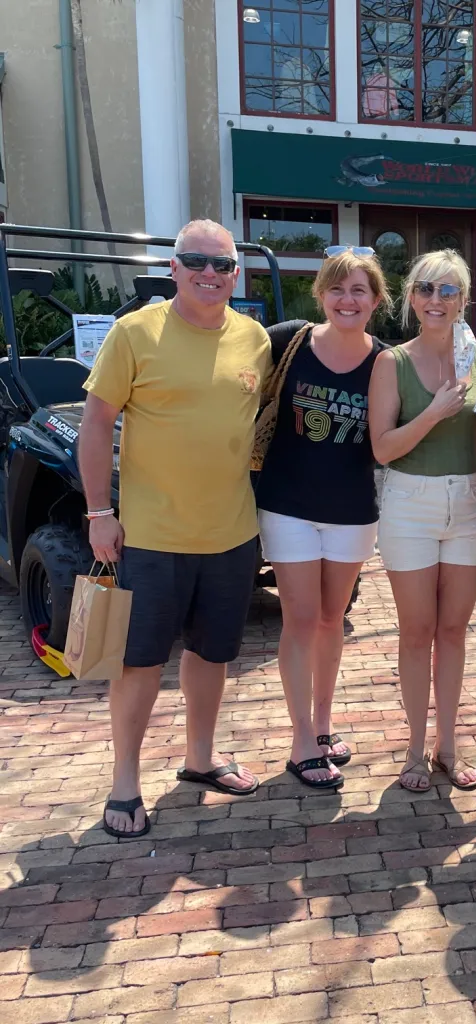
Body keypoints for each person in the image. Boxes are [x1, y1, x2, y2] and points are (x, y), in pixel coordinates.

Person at [81, 219, 272, 838]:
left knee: (211, 655)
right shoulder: (135, 333)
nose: (209, 273)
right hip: (152, 537)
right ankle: (124, 781)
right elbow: (95, 424)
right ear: (173, 267)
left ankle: (200, 758)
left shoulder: (254, 339)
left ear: (236, 274)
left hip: (231, 533)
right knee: (139, 663)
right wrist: (99, 513)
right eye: (196, 261)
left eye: (222, 265)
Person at [255, 247, 391, 788]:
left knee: (333, 619)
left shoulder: (387, 361)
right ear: (320, 295)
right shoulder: (288, 341)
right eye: (337, 288)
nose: (347, 299)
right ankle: (301, 741)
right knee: (302, 619)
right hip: (287, 504)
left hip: (352, 510)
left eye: (359, 290)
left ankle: (323, 722)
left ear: (376, 300)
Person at [368, 249, 476, 793]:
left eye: (447, 290)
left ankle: (449, 746)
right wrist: (434, 412)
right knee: (417, 631)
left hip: (469, 503)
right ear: (411, 298)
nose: (435, 299)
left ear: (463, 299)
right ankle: (415, 751)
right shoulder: (391, 362)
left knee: (454, 631)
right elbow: (383, 447)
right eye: (425, 289)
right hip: (409, 503)